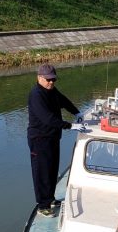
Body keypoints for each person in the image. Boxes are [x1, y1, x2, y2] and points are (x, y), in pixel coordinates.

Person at [27, 64, 80, 217]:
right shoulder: (36, 95)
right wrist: (70, 126)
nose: (51, 83)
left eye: (54, 80)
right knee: (42, 171)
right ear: (39, 78)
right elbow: (47, 119)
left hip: (52, 137)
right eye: (48, 80)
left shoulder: (52, 91)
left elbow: (64, 101)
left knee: (52, 170)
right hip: (39, 139)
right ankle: (43, 205)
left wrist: (77, 112)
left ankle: (50, 198)